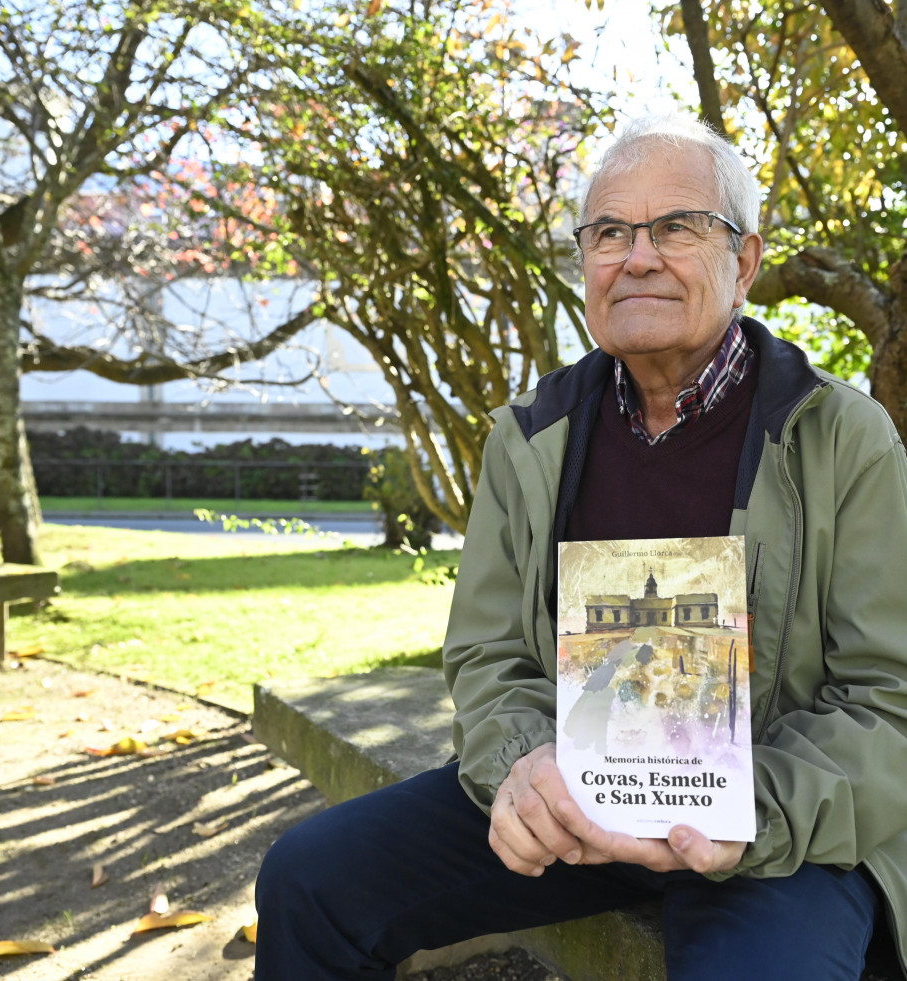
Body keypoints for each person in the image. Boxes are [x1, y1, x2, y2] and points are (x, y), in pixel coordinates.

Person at [252, 114, 907, 980]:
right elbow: (487, 654)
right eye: (608, 233)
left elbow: (888, 697)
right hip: (578, 797)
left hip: (775, 828)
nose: (637, 256)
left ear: (742, 262)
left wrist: (749, 812)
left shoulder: (840, 437)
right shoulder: (531, 436)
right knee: (309, 878)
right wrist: (523, 763)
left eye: (675, 226)